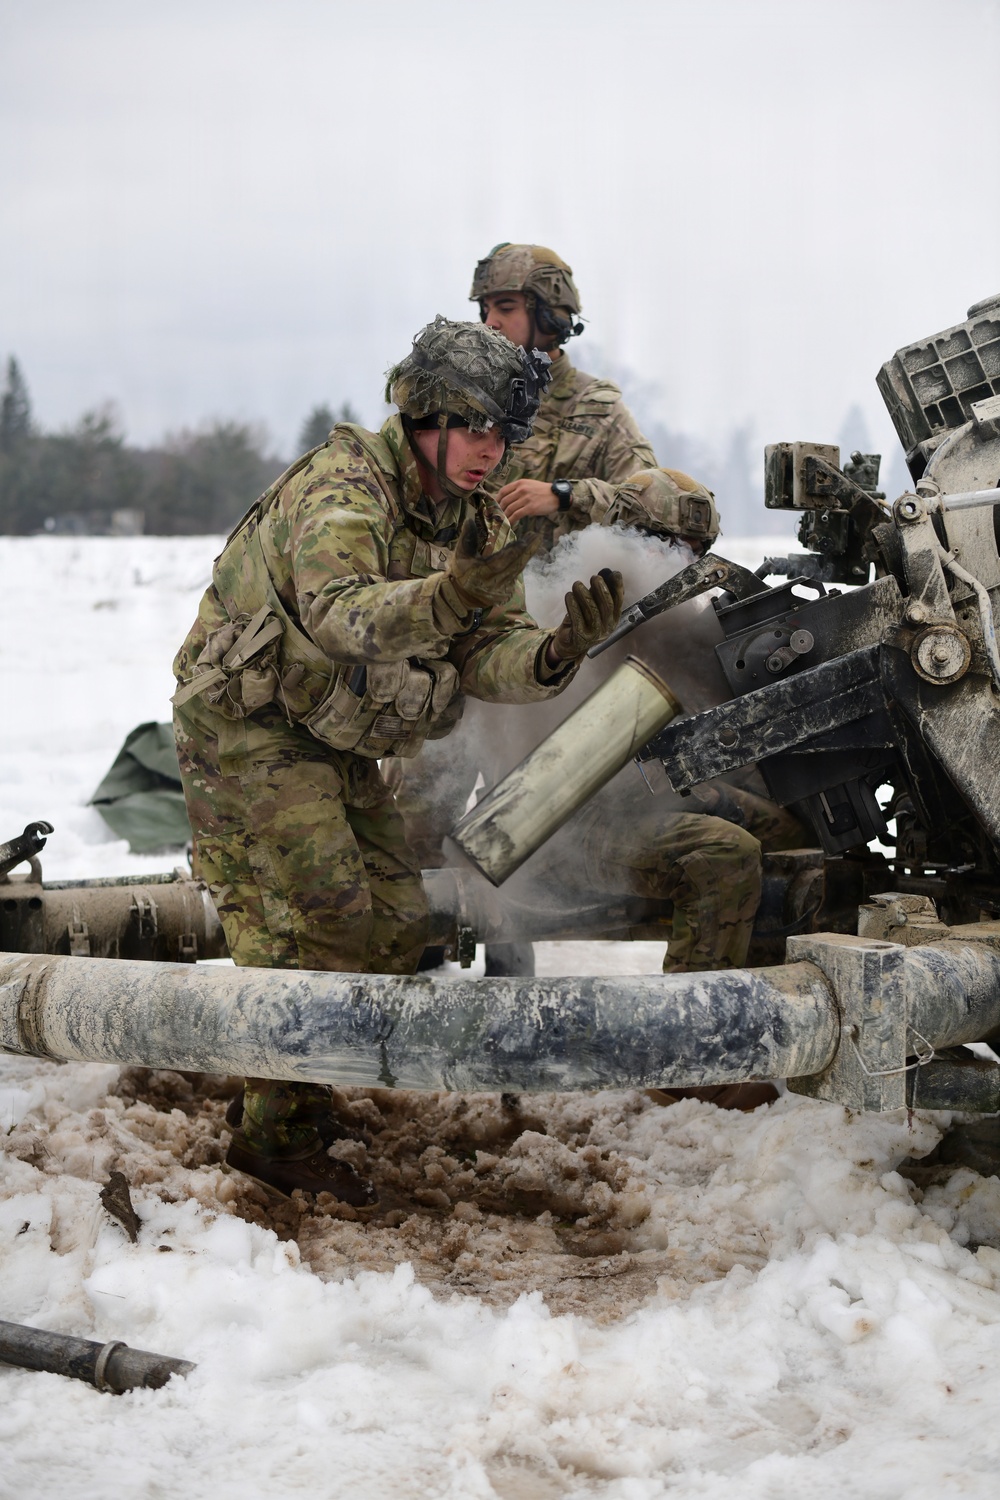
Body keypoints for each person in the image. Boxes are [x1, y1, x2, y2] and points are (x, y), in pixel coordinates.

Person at [171, 316, 624, 1201]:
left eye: (504, 432)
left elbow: (485, 645)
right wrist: (452, 593)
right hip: (249, 730)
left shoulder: (470, 515)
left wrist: (553, 653)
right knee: (319, 924)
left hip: (335, 732)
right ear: (427, 415)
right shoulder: (346, 488)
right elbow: (343, 614)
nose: (492, 451)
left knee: (395, 931)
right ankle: (275, 1137)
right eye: (478, 427)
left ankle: (288, 1084)